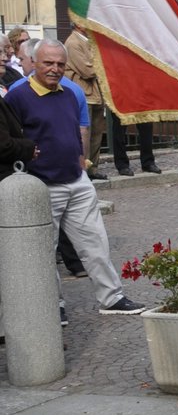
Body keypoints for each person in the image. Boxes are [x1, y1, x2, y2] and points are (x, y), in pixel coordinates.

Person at [4, 39, 146, 317]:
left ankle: (112, 297)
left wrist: (82, 162)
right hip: (42, 183)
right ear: (34, 62)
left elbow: (78, 129)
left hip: (75, 179)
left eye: (60, 64)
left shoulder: (69, 93)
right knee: (45, 251)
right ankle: (52, 306)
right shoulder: (17, 97)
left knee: (96, 242)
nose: (55, 69)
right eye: (48, 63)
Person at [62, 26, 108, 179]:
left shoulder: (90, 41)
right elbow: (87, 70)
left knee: (96, 134)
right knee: (84, 134)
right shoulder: (73, 43)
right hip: (83, 94)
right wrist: (103, 65)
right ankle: (82, 169)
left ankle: (92, 169)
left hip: (95, 94)